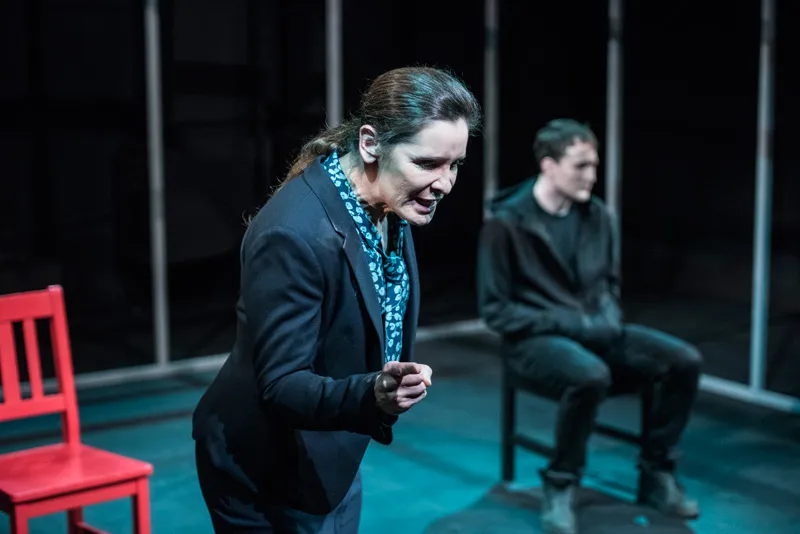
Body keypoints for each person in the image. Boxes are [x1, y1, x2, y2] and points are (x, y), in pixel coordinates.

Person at [192, 66, 482, 533]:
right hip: (266, 470)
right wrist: (373, 393)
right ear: (370, 144)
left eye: (455, 166)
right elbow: (282, 384)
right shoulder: (294, 233)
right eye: (428, 163)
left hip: (329, 454)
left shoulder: (387, 201)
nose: (445, 183)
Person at [477, 119, 702, 534]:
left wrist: (606, 318)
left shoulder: (598, 215)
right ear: (548, 165)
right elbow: (496, 311)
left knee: (683, 360)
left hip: (595, 332)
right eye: (581, 165)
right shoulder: (506, 224)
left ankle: (657, 471)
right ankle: (561, 481)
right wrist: (568, 322)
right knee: (590, 375)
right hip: (534, 340)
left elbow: (609, 285)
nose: (592, 176)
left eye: (594, 165)